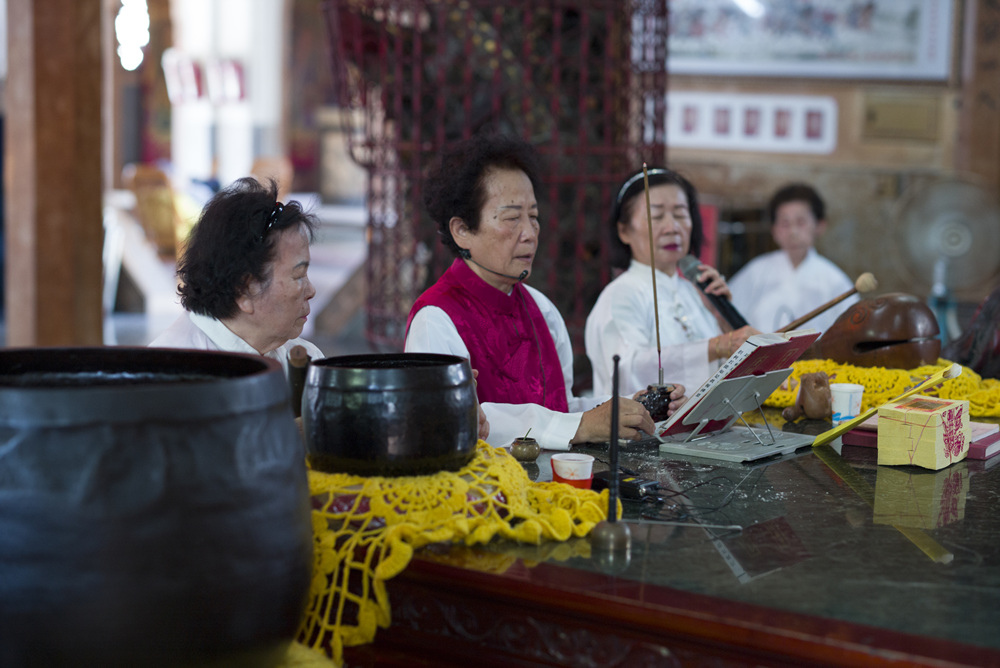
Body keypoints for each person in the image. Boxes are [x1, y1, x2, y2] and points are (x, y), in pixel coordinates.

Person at [405, 134, 680, 451]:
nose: (529, 234)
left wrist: (630, 406)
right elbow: (451, 424)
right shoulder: (436, 318)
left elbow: (562, 410)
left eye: (533, 217)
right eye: (511, 218)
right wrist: (580, 425)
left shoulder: (542, 308)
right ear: (462, 230)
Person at [585, 167, 758, 396]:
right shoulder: (621, 295)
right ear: (624, 230)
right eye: (656, 216)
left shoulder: (695, 293)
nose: (672, 227)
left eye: (680, 214)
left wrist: (723, 320)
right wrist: (717, 346)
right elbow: (627, 370)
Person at [149, 177, 325, 375]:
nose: (311, 290)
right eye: (298, 275)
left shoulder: (304, 361)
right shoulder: (168, 373)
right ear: (245, 288)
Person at [729, 183, 856, 333]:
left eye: (801, 222)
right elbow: (729, 319)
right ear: (774, 230)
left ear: (819, 226)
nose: (793, 232)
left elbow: (850, 333)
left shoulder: (835, 280)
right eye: (785, 223)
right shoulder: (755, 272)